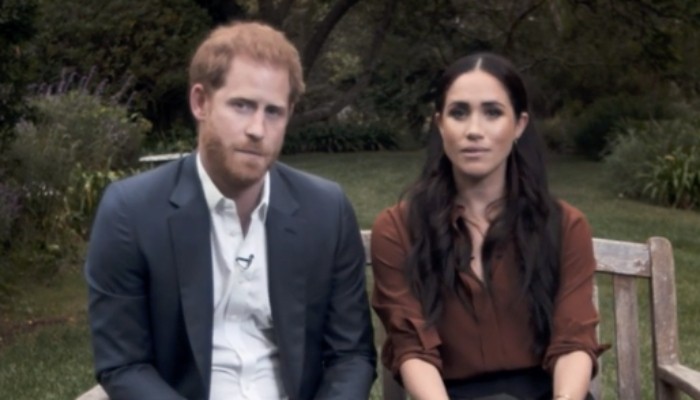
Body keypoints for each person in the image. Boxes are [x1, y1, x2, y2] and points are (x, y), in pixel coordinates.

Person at [85, 21, 376, 400]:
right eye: (242, 105)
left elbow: (351, 356)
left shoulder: (326, 210)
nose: (257, 129)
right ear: (200, 102)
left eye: (274, 112)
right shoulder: (131, 212)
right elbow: (123, 364)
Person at [370, 53, 605, 400]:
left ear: (519, 125)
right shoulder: (398, 229)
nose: (474, 131)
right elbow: (412, 349)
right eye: (459, 113)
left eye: (493, 112)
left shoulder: (565, 226)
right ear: (440, 124)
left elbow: (573, 341)